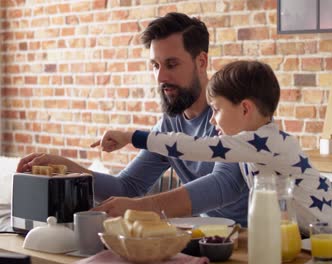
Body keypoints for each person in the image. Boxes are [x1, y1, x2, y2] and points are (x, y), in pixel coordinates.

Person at [93, 60, 332, 247]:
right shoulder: (256, 146)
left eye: (217, 110)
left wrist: (132, 136)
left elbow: (194, 147)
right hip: (322, 238)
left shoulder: (266, 142)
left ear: (245, 108)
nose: (212, 120)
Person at [15, 12, 249, 226]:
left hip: (256, 236)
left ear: (201, 61)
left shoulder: (233, 113)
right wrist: (67, 168)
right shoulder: (170, 123)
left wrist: (141, 207)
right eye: (155, 66)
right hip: (212, 237)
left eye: (171, 64)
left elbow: (224, 185)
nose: (160, 77)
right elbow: (127, 187)